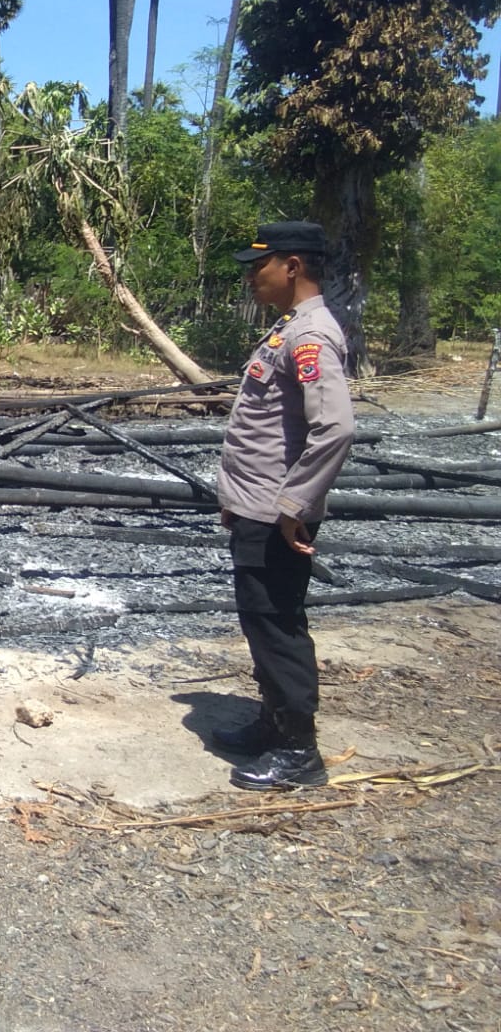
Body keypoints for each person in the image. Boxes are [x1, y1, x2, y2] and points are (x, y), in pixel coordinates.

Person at [215, 221, 355, 790]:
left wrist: (295, 503)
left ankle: (299, 751)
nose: (252, 277)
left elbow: (336, 428)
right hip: (259, 507)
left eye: (261, 265)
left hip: (278, 515)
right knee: (261, 618)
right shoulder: (290, 328)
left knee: (277, 625)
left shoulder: (311, 336)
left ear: (292, 266)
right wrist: (237, 497)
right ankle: (274, 724)